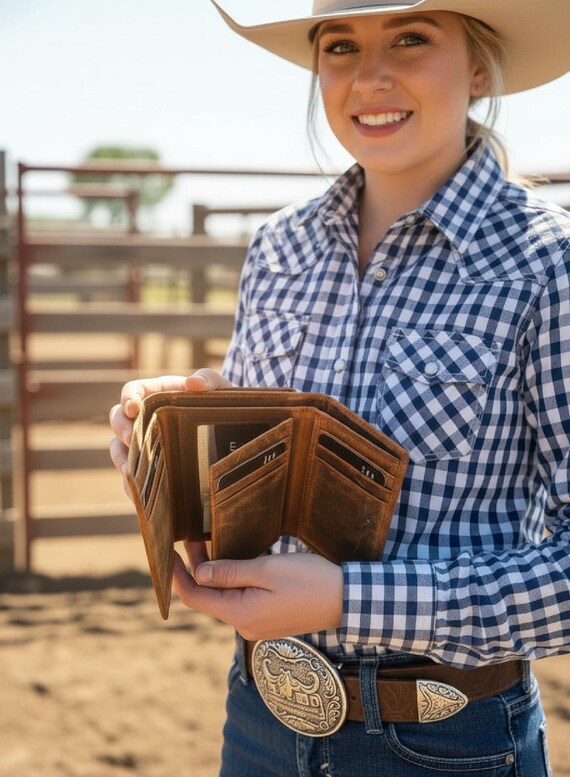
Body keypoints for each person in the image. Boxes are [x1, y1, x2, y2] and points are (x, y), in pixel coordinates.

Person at [109, 1, 570, 774]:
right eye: (341, 46)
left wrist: (348, 599)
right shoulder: (278, 248)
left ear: (480, 68)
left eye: (411, 38)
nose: (370, 77)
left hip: (447, 742)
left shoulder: (548, 264)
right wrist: (171, 423)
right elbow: (256, 472)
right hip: (258, 719)